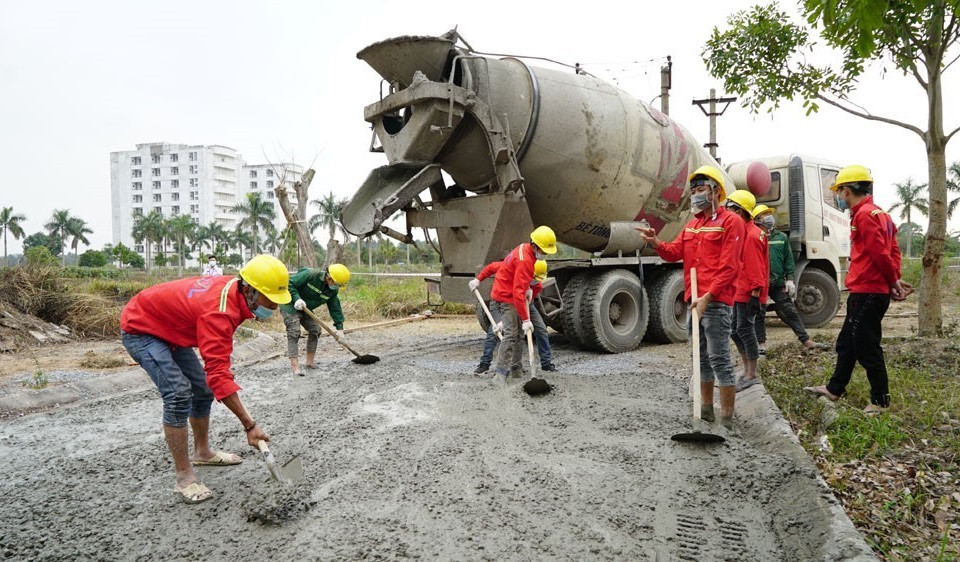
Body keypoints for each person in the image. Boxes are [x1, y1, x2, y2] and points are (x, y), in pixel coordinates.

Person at [120, 254, 290, 504]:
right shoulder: (219, 311)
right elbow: (218, 372)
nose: (274, 308)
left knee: (201, 390)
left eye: (278, 301)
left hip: (171, 327)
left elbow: (214, 368)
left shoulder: (236, 292)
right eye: (270, 300)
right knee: (178, 394)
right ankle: (184, 476)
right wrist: (249, 425)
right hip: (143, 328)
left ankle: (202, 452)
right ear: (249, 290)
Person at [639, 165, 745, 430]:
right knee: (700, 357)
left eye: (701, 190)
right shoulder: (693, 225)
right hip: (694, 300)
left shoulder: (731, 222)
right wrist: (656, 243)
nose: (696, 195)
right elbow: (674, 252)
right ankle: (706, 410)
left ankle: (727, 420)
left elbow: (730, 267)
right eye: (694, 191)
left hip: (715, 302)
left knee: (719, 357)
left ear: (716, 192)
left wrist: (708, 297)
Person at [805, 165, 909, 414]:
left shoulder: (863, 215)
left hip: (868, 291)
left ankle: (880, 400)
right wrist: (893, 278)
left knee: (866, 345)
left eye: (839, 191)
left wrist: (892, 281)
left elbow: (880, 253)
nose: (838, 197)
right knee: (847, 343)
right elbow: (893, 251)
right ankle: (834, 388)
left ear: (847, 190)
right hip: (869, 290)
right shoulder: (880, 214)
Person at [485, 226, 558, 382]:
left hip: (510, 295)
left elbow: (522, 284)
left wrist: (528, 289)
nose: (544, 254)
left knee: (518, 335)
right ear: (535, 245)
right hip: (506, 297)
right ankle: (500, 375)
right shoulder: (526, 260)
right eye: (544, 251)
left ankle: (516, 369)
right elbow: (517, 293)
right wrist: (526, 319)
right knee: (511, 335)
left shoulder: (524, 249)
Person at [752, 205, 828, 353]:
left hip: (777, 282)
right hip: (760, 282)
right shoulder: (755, 237)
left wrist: (790, 279)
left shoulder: (781, 237)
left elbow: (788, 261)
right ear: (756, 220)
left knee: (790, 310)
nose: (768, 217)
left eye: (769, 213)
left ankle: (805, 340)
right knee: (759, 313)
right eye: (764, 215)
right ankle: (761, 344)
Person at [471, 259, 555, 375]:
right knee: (494, 331)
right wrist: (478, 280)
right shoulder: (508, 270)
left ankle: (545, 364)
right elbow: (490, 268)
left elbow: (525, 302)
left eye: (535, 279)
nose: (534, 281)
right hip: (501, 302)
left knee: (540, 329)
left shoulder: (537, 284)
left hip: (524, 303)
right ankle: (484, 364)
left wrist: (525, 318)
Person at [725, 190, 765, 392]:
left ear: (740, 211)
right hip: (738, 290)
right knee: (735, 330)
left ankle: (752, 373)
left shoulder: (752, 235)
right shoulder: (743, 232)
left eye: (730, 209)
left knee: (746, 330)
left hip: (748, 292)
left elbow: (756, 267)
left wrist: (756, 295)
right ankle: (746, 368)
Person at [279, 263, 350, 376]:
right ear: (329, 277)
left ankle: (309, 362)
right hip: (289, 304)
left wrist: (339, 328)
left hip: (306, 308)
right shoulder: (310, 275)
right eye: (336, 283)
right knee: (294, 331)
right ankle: (295, 367)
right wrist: (297, 298)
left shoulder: (332, 290)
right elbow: (289, 283)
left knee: (315, 330)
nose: (336, 286)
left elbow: (334, 307)